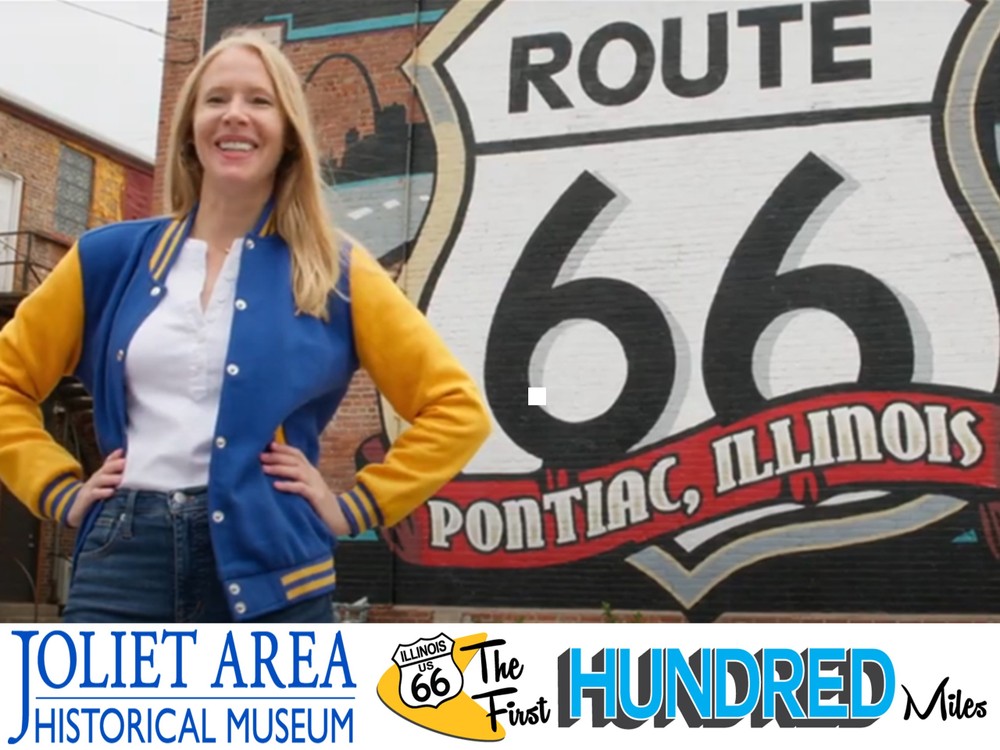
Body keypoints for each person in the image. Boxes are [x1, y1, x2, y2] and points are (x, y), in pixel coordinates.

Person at [0, 30, 491, 623]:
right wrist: (56, 487)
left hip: (276, 573)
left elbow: (455, 410)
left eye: (259, 101)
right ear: (190, 128)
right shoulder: (106, 260)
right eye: (216, 99)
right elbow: (8, 381)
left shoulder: (333, 271)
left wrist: (357, 506)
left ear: (287, 136)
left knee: (258, 722)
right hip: (122, 565)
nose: (236, 114)